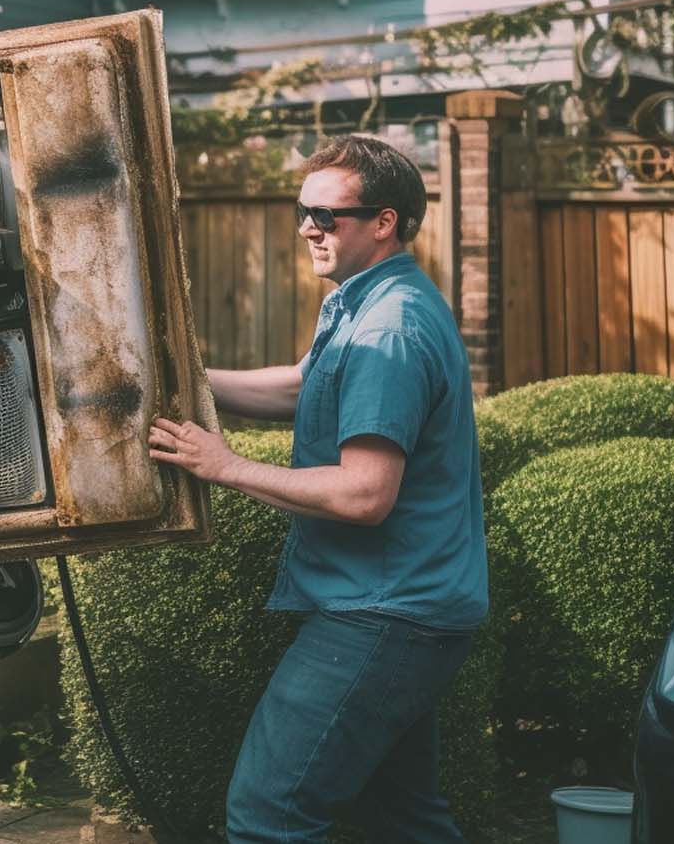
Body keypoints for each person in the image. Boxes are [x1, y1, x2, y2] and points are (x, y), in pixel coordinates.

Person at [147, 135, 486, 844]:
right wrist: (180, 387)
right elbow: (305, 386)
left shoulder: (386, 330)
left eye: (326, 216)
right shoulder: (370, 302)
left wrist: (224, 465)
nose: (308, 227)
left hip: (383, 614)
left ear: (384, 221)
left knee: (266, 816)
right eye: (303, 211)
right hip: (410, 608)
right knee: (405, 820)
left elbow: (366, 493)